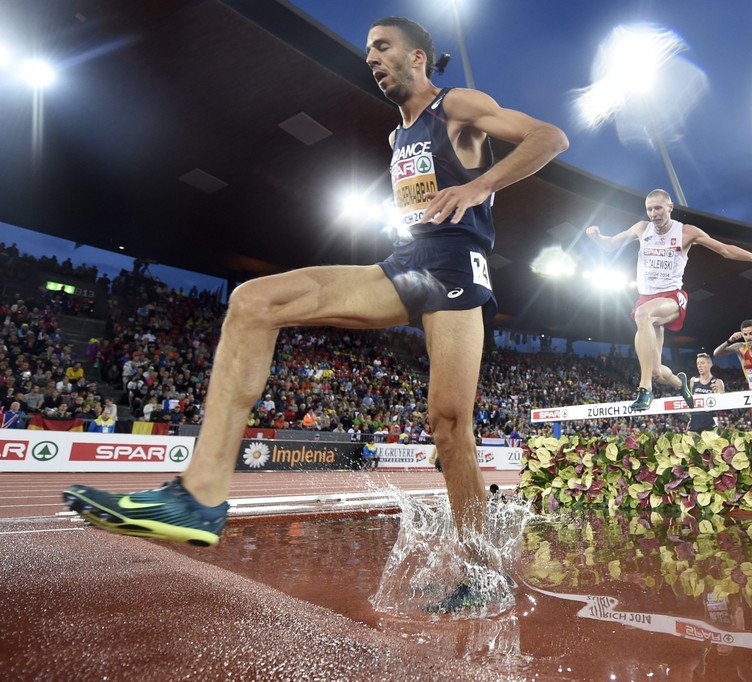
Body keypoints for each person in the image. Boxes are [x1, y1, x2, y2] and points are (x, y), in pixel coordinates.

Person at [64, 15, 568, 547]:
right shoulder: (397, 135)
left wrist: (479, 186)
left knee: (448, 423)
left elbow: (549, 138)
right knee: (254, 301)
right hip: (405, 263)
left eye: (383, 47)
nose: (371, 58)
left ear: (417, 57)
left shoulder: (457, 105)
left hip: (456, 267)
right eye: (368, 51)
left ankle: (476, 559)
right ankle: (199, 498)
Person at [586, 190, 752, 410]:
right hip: (646, 299)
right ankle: (680, 384)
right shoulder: (642, 228)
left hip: (671, 298)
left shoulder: (686, 232)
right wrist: (597, 237)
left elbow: (724, 250)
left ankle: (644, 389)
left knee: (642, 314)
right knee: (656, 370)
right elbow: (610, 244)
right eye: (649, 209)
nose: (653, 213)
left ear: (670, 207)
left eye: (658, 208)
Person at [685, 353, 724, 434]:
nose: (699, 366)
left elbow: (723, 404)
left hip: (710, 419)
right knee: (689, 441)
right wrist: (690, 419)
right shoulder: (693, 381)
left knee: (712, 442)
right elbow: (691, 402)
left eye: (702, 363)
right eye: (698, 363)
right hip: (695, 419)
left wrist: (717, 395)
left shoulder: (717, 382)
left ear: (710, 364)